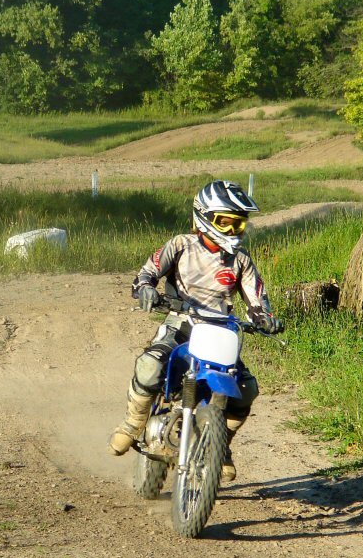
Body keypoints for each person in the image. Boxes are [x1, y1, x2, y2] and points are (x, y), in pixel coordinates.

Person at [107, 180, 284, 482]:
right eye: (225, 222)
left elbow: (257, 299)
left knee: (247, 390)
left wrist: (265, 317)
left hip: (221, 330)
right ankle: (133, 423)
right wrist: (147, 289)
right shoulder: (179, 245)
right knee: (150, 365)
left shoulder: (241, 261)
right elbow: (146, 274)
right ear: (203, 217)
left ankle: (220, 445)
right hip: (181, 322)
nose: (232, 230)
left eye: (238, 223)